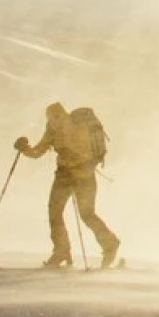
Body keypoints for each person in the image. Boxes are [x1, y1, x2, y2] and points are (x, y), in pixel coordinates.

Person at [15, 102, 121, 269]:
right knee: (76, 213)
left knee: (69, 213)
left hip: (75, 174)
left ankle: (68, 250)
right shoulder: (59, 126)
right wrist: (25, 149)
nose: (53, 121)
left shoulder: (70, 125)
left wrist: (25, 149)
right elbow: (38, 152)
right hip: (76, 174)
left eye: (53, 117)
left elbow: (39, 152)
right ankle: (102, 245)